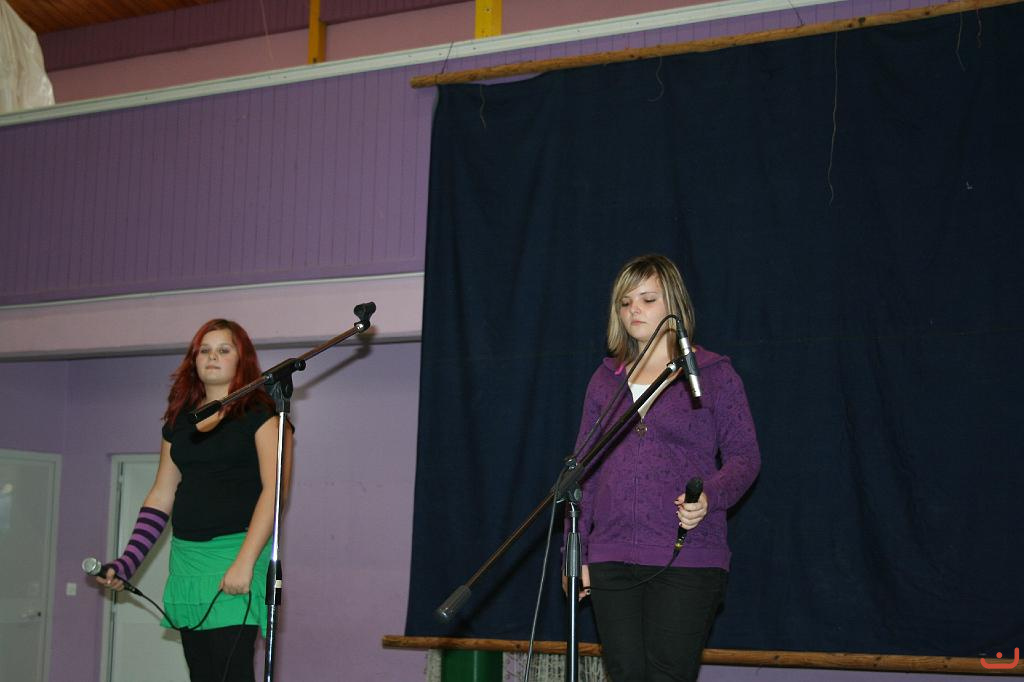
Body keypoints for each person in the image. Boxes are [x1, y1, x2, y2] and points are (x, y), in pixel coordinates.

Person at [563, 254, 760, 682]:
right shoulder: (604, 380)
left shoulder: (715, 374)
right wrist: (574, 554)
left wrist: (710, 496)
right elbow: (583, 473)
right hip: (611, 555)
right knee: (625, 674)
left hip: (687, 555)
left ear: (674, 303)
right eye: (625, 302)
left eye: (647, 299)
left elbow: (745, 457)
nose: (634, 309)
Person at [96, 319, 294, 682]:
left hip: (236, 554)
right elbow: (161, 494)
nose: (212, 357)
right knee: (202, 674)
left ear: (242, 360)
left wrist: (245, 562)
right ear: (194, 360)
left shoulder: (262, 415)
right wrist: (128, 562)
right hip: (187, 562)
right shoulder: (180, 422)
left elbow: (274, 492)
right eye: (204, 350)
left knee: (231, 673)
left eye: (223, 350)